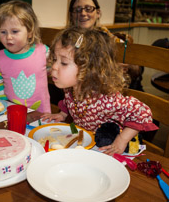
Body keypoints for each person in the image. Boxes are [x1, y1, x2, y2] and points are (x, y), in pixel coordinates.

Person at [42, 27, 158, 155]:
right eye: (54, 59)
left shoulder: (106, 99)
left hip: (110, 148)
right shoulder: (71, 88)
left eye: (63, 62)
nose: (53, 66)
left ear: (88, 69)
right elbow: (70, 102)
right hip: (86, 143)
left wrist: (121, 140)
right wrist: (62, 115)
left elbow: (142, 112)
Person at [67, 0, 143, 91]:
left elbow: (136, 64)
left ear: (98, 13)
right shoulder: (66, 39)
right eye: (77, 9)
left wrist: (127, 64)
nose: (83, 13)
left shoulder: (106, 35)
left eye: (88, 9)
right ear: (71, 15)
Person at [0, 0, 51, 113]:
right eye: (3, 32)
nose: (8, 37)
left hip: (42, 116)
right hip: (13, 114)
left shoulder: (44, 52)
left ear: (30, 33)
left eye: (14, 31)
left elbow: (54, 73)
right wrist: (5, 106)